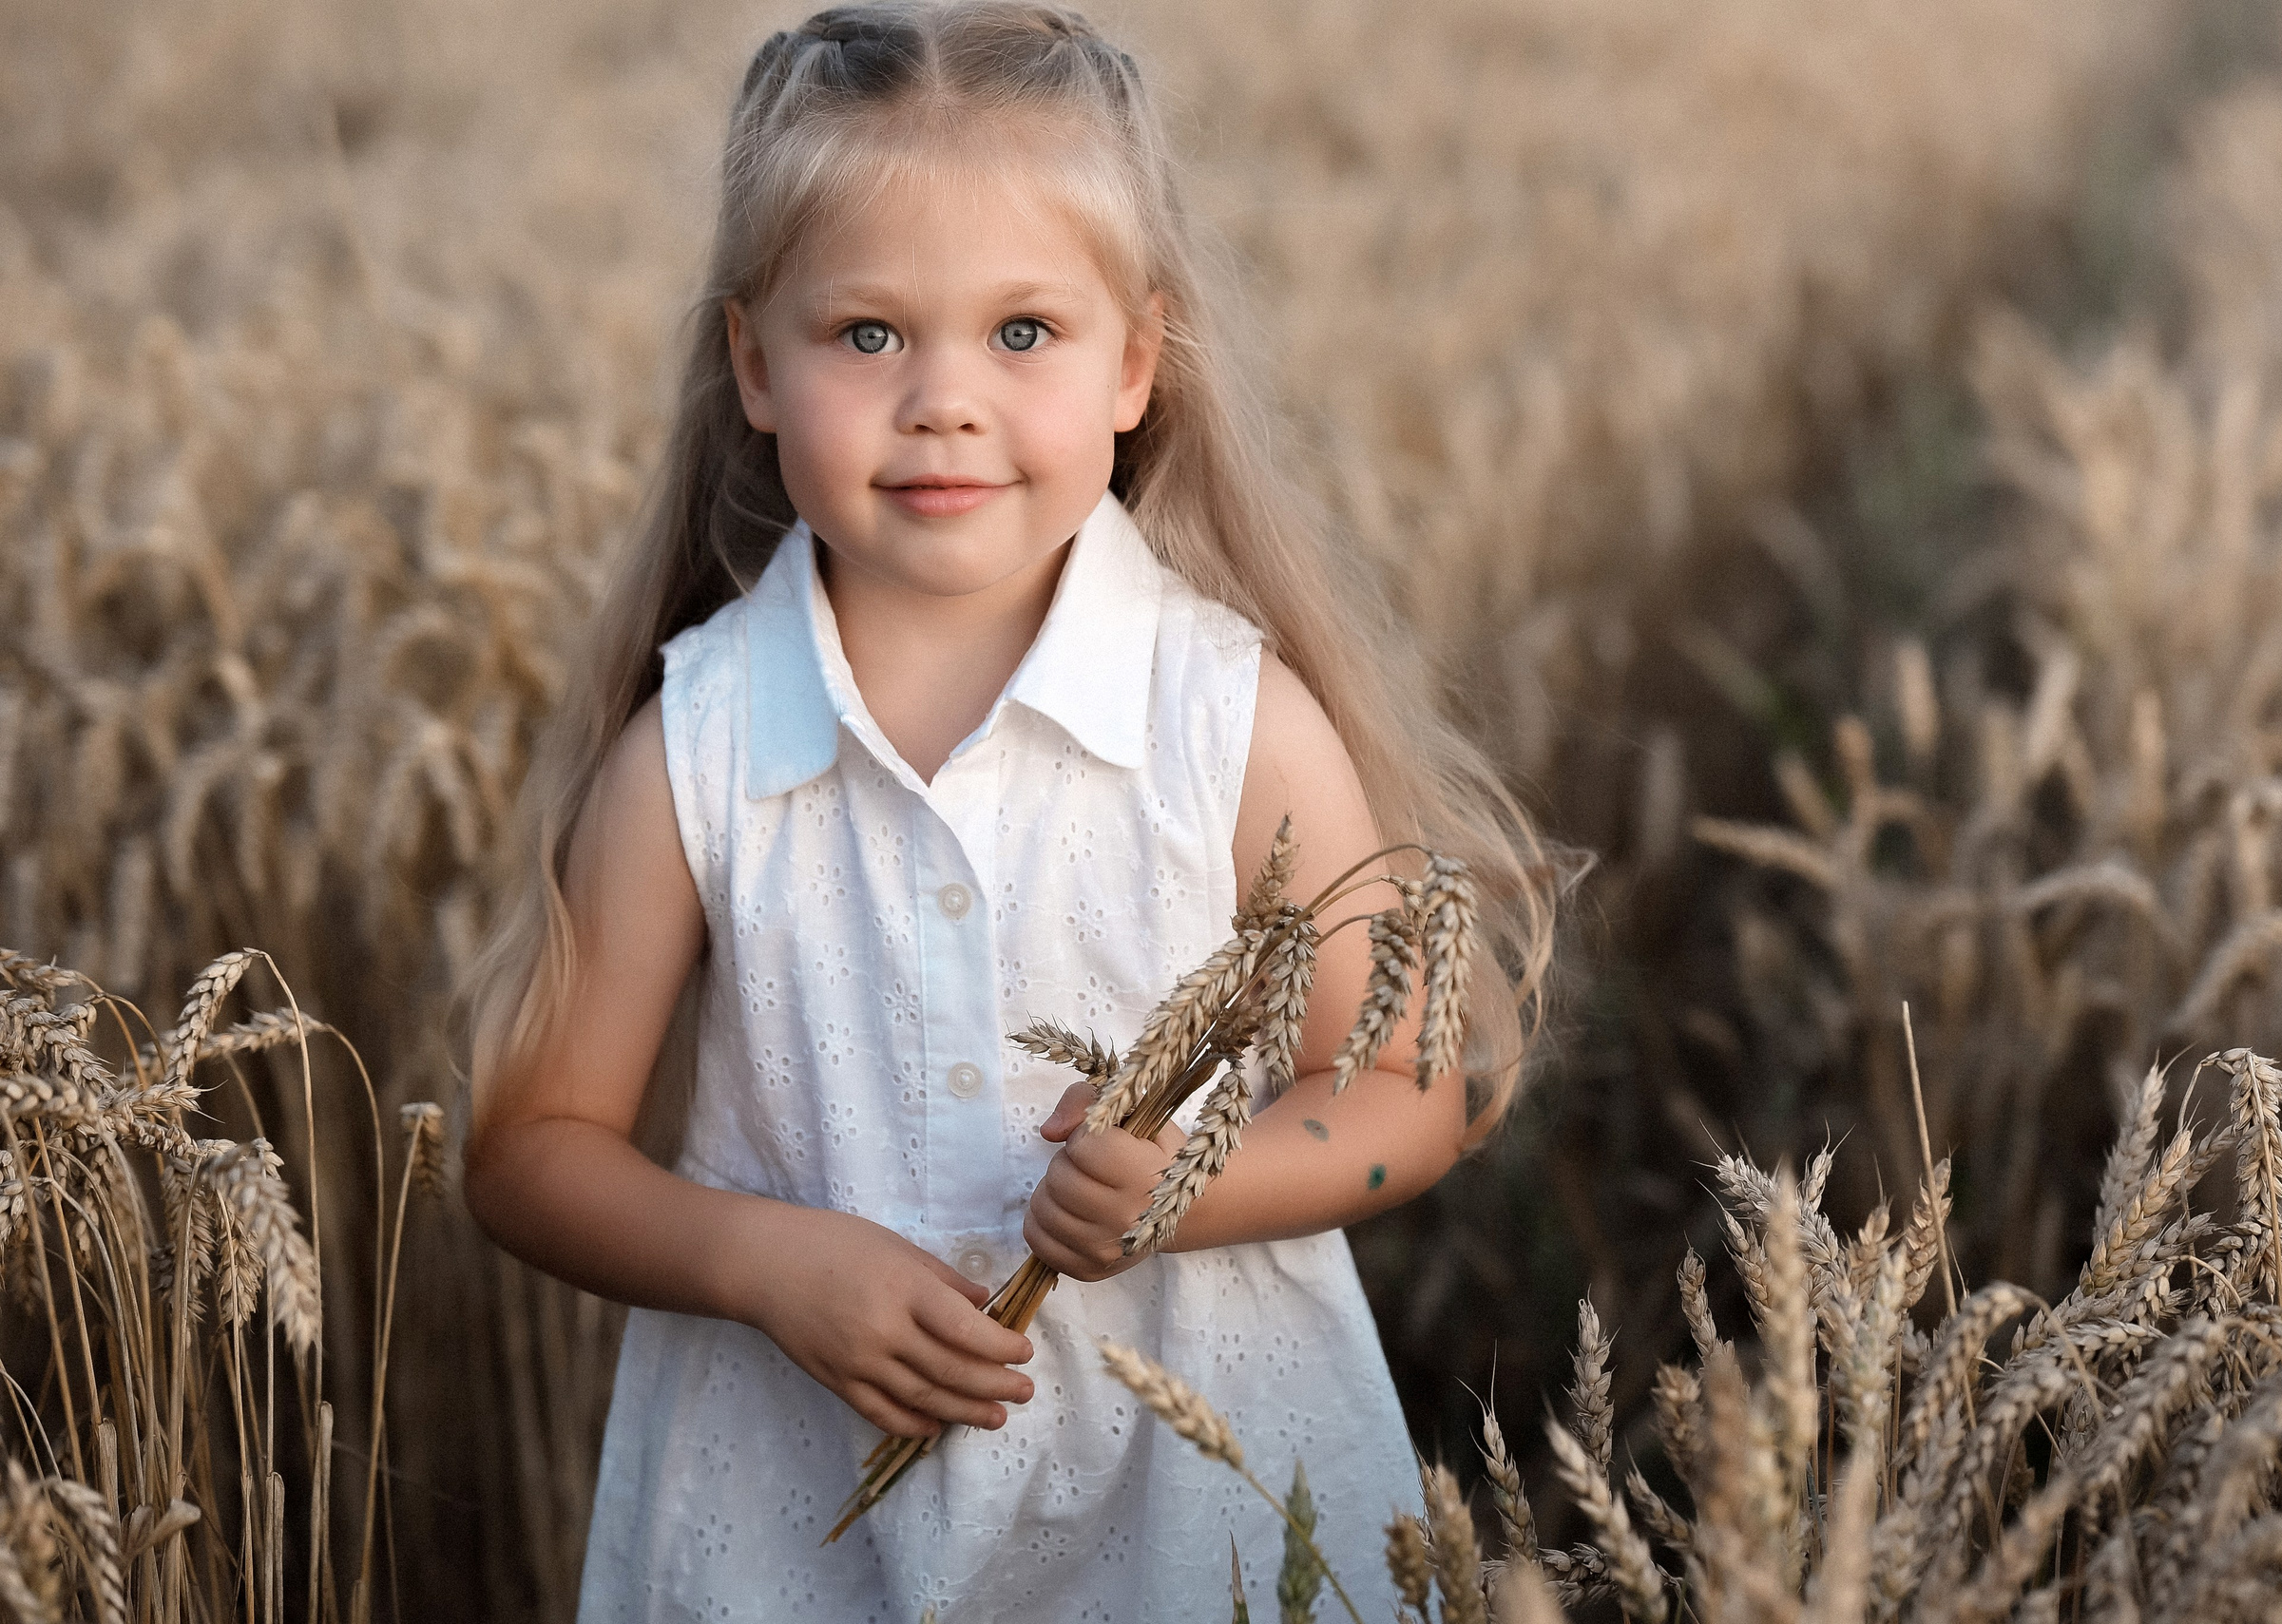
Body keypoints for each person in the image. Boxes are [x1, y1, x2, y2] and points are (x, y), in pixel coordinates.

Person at [462, 5, 1555, 1618]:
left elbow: (1411, 1081)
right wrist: (763, 1263)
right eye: (868, 336)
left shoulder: (1225, 720)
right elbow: (526, 1152)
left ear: (1136, 363)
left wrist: (1193, 1182)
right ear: (754, 364)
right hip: (798, 1526)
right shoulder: (698, 750)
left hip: (1195, 1514)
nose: (944, 400)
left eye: (1023, 331)